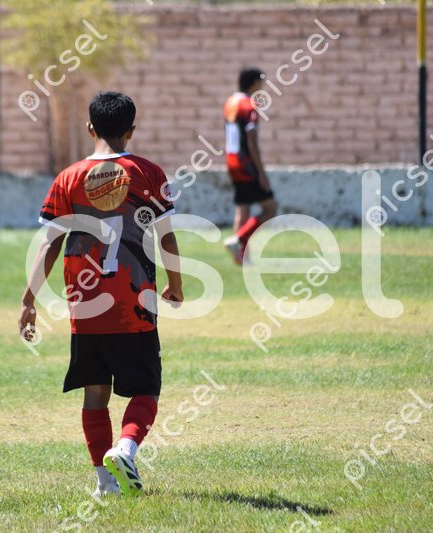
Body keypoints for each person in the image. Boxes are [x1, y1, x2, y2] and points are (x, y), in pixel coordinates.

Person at [17, 91, 183, 497]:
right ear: (131, 130)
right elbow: (167, 237)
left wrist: (28, 301)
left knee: (95, 391)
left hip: (85, 305)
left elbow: (50, 244)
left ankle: (104, 483)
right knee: (146, 388)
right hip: (134, 302)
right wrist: (176, 284)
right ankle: (125, 449)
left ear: (90, 128)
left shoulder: (68, 178)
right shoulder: (148, 173)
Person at [222, 68, 278, 265]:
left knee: (242, 209)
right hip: (246, 165)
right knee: (270, 208)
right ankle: (238, 239)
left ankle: (242, 257)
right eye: (261, 81)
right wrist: (261, 172)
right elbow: (251, 140)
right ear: (254, 83)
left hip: (232, 161)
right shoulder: (249, 105)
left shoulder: (230, 103)